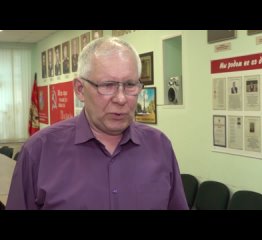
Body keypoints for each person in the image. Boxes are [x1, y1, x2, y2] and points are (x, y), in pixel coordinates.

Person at [6, 37, 188, 210]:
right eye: (107, 85)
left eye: (130, 84)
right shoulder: (39, 151)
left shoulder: (160, 146)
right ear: (79, 90)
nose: (121, 98)